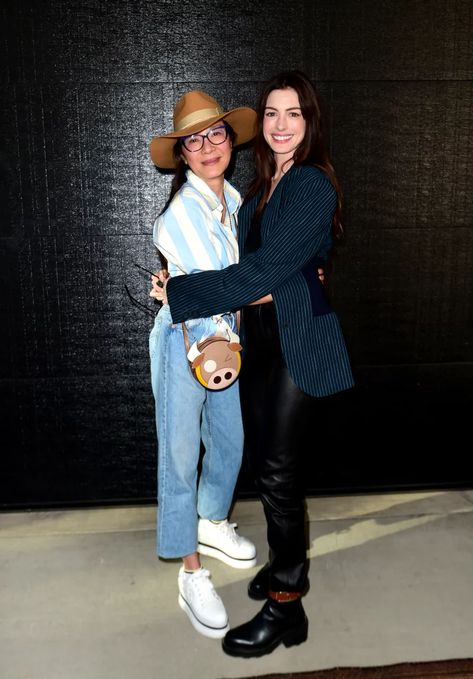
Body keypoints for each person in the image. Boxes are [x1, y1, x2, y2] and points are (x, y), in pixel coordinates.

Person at [151, 71, 355, 657]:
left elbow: (265, 273)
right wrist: (275, 281)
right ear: (261, 125)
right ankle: (281, 566)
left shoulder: (311, 184)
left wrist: (182, 293)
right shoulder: (263, 186)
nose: (281, 124)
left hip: (297, 342)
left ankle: (287, 606)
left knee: (279, 476)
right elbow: (262, 269)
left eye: (294, 113)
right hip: (257, 342)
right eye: (272, 113)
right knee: (268, 467)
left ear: (309, 121)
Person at [148, 90, 259, 640]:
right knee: (180, 454)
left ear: (231, 142)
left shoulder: (234, 203)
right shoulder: (180, 214)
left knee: (230, 438)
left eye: (216, 134)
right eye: (195, 140)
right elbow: (224, 285)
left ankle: (211, 520)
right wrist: (277, 286)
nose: (208, 146)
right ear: (184, 156)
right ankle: (190, 570)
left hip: (225, 344)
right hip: (185, 343)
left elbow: (227, 285)